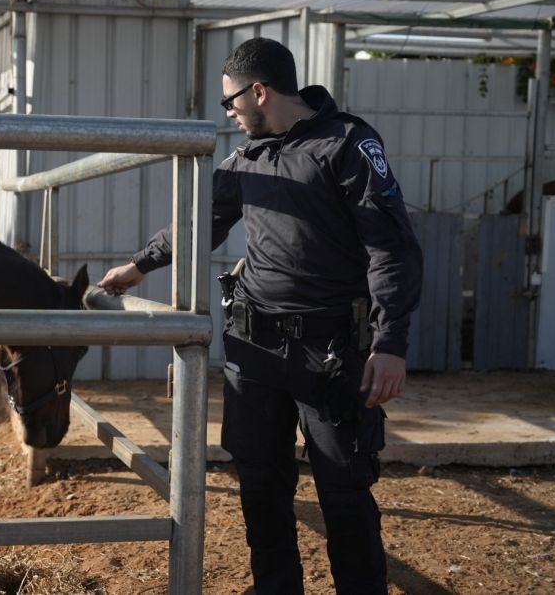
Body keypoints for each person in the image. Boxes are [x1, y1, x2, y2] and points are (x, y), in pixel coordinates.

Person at [98, 37, 423, 594]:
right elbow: (199, 222)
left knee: (344, 493)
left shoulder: (346, 143)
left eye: (231, 102)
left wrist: (390, 341)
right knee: (261, 491)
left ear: (259, 91)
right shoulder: (245, 158)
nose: (227, 113)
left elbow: (391, 248)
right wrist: (139, 265)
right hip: (254, 351)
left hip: (329, 352)